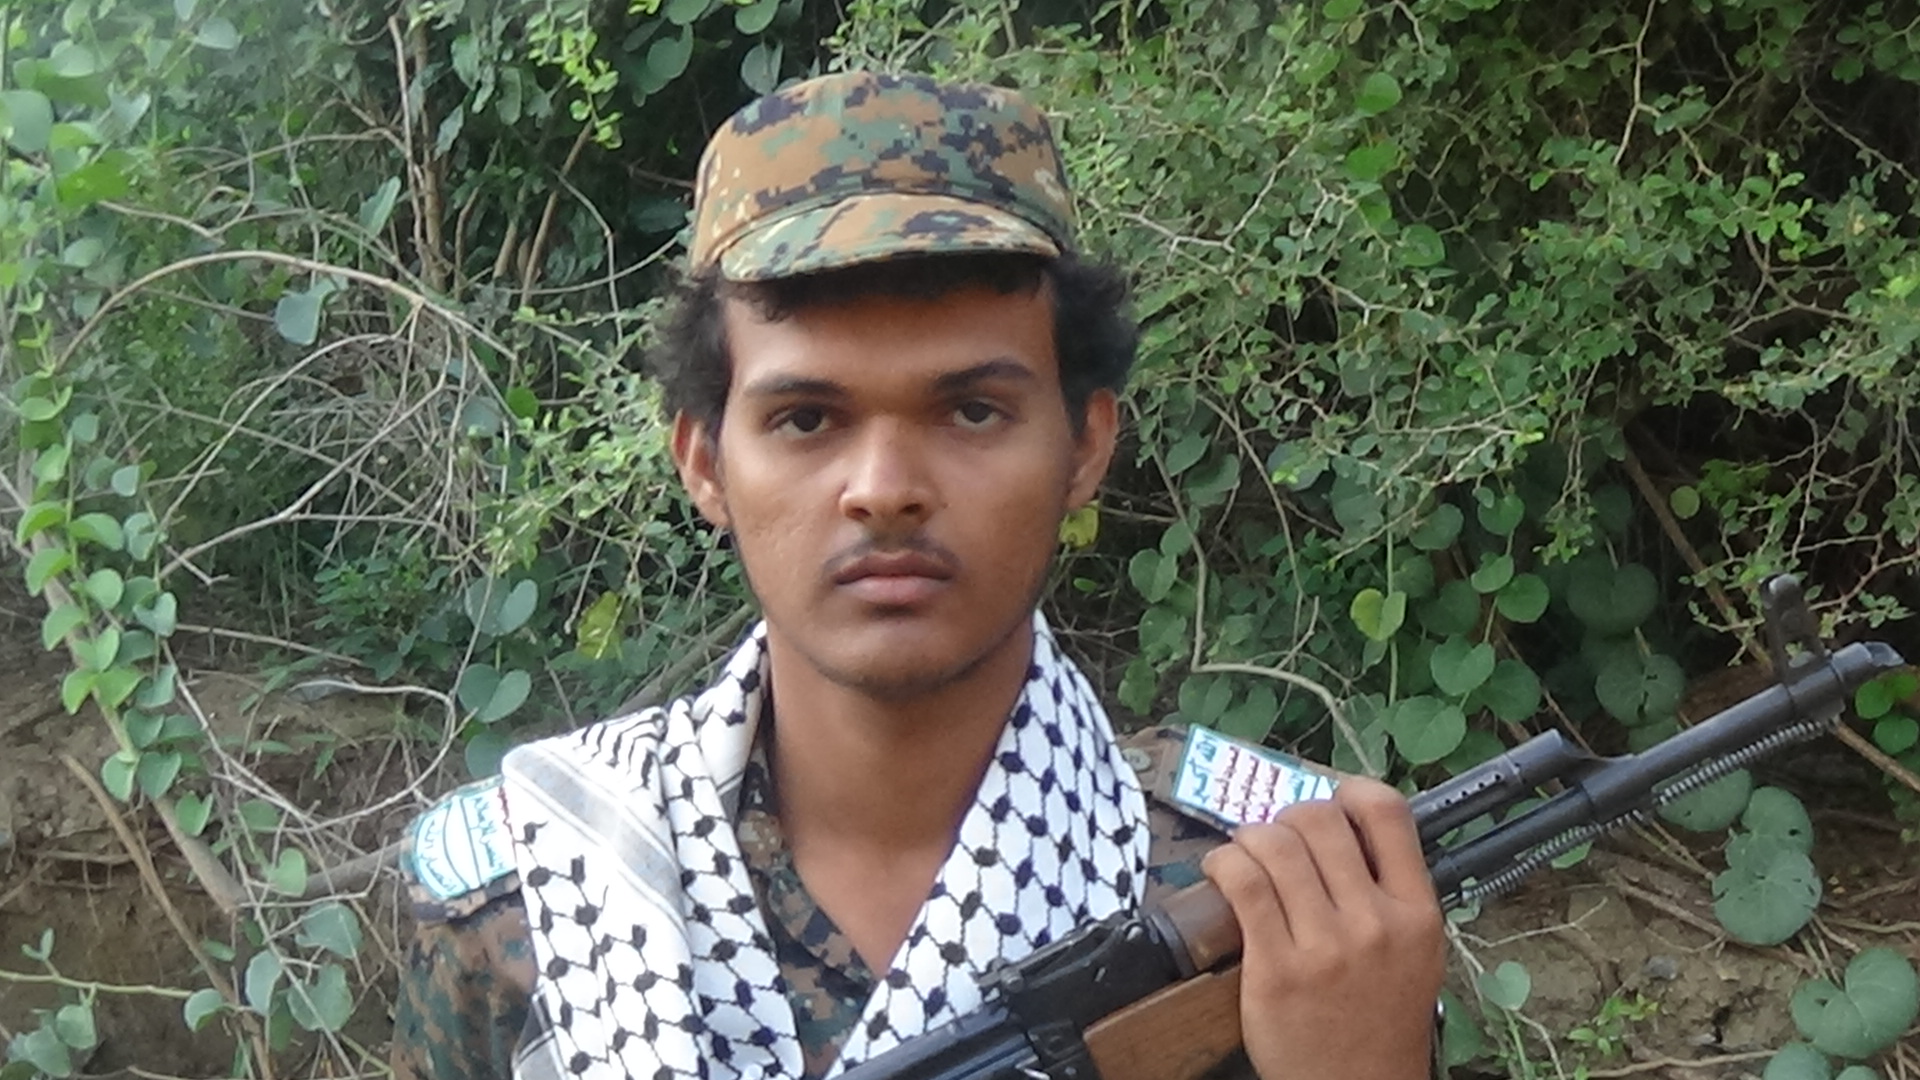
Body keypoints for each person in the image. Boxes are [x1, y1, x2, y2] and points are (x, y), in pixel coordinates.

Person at [389, 70, 1447, 1080]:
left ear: (1085, 446)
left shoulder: (1275, 900)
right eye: (806, 420)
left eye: (972, 412)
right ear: (705, 464)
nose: (885, 490)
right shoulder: (542, 888)